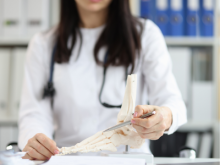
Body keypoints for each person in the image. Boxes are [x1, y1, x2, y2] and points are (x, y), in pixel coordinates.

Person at [19, 0, 187, 160]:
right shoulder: (43, 44)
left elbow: (173, 102)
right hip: (67, 159)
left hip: (128, 159)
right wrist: (36, 140)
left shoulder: (146, 35)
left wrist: (165, 116)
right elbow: (34, 113)